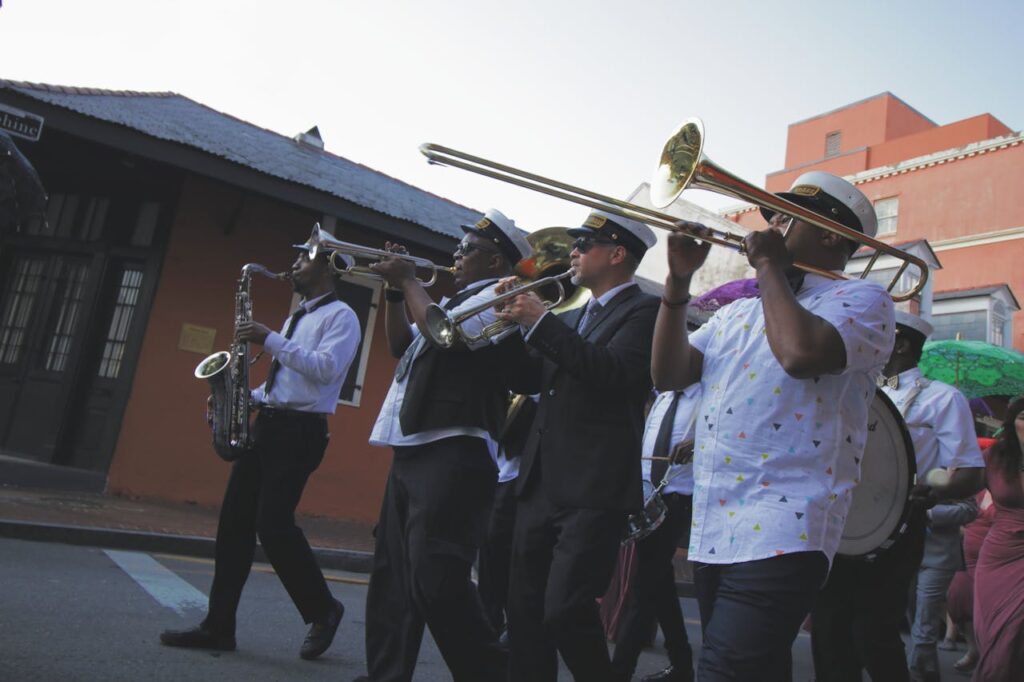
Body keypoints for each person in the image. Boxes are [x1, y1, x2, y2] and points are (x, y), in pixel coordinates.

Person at [651, 170, 896, 681]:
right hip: (715, 522)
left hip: (788, 528)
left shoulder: (863, 301)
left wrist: (767, 265)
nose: (771, 224)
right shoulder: (738, 312)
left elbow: (800, 353)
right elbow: (669, 373)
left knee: (723, 670)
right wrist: (676, 283)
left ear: (830, 234)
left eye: (786, 216)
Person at [160, 229, 361, 659]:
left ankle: (324, 609)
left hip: (300, 433)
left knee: (273, 526)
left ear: (325, 267)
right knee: (233, 525)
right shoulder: (297, 317)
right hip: (268, 426)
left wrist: (269, 337)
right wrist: (235, 399)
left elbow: (325, 371)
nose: (293, 267)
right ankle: (218, 627)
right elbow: (282, 383)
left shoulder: (342, 316)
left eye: (303, 261)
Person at [355, 209, 532, 682]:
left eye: (468, 248)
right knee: (393, 577)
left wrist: (412, 281)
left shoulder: (503, 295)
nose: (457, 255)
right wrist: (395, 291)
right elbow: (400, 343)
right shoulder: (453, 301)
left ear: (497, 262)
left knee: (437, 577)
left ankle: (491, 673)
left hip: (456, 449)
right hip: (413, 446)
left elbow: (446, 338)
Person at [494, 209, 659, 682]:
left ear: (617, 253)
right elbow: (529, 378)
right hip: (541, 480)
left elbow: (610, 374)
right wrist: (509, 327)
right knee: (523, 613)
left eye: (585, 244)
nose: (574, 252)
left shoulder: (645, 311)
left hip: (593, 486)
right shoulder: (573, 314)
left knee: (564, 609)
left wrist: (541, 323)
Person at [811, 310, 984, 682]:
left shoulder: (943, 399)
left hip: (899, 525)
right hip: (841, 524)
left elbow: (969, 473)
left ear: (901, 344)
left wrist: (932, 491)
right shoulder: (855, 389)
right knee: (828, 629)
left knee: (874, 632)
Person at [611, 383, 700, 682]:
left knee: (644, 585)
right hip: (651, 497)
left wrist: (699, 441)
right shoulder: (663, 396)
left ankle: (620, 671)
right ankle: (682, 664)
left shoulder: (707, 395)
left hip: (680, 496)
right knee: (658, 584)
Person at [972, 397, 1024, 682]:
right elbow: (964, 488)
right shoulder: (995, 457)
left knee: (1015, 635)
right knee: (994, 635)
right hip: (997, 556)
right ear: (1012, 421)